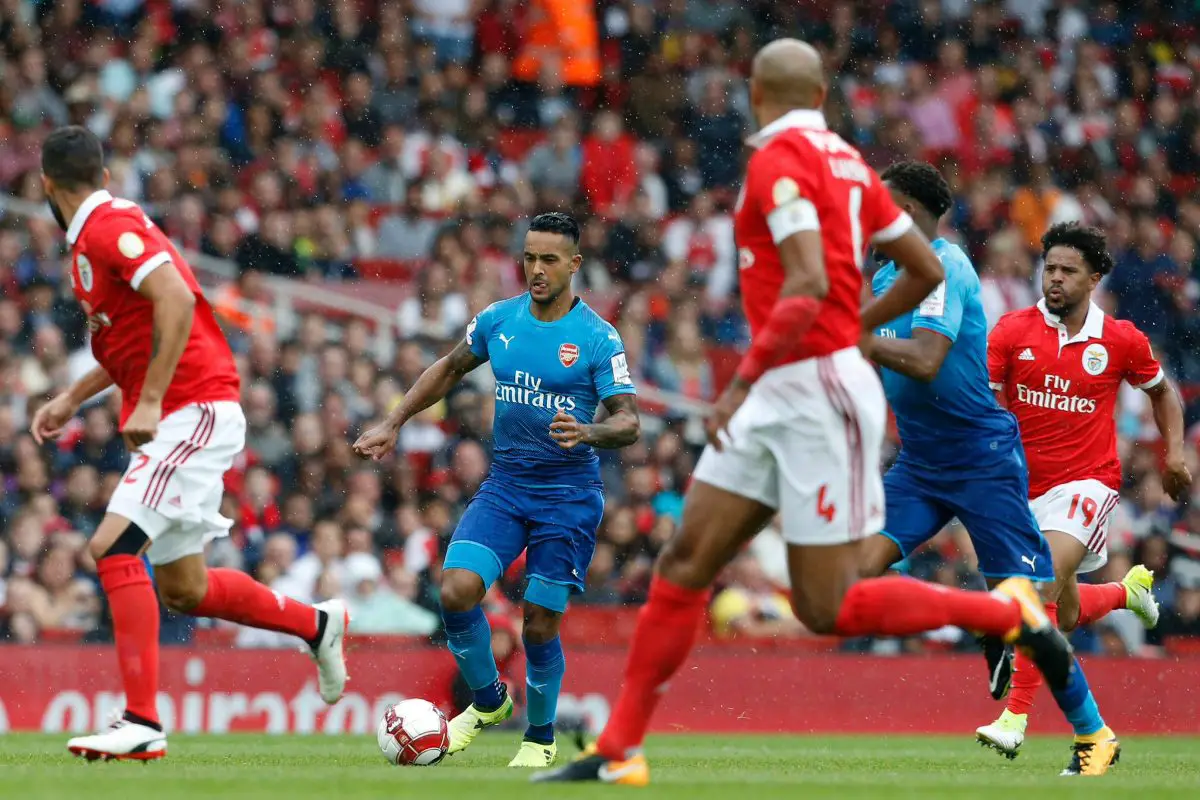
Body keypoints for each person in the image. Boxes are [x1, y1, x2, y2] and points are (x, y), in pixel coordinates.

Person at [534, 40, 1074, 787]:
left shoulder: (776, 162)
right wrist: (853, 326)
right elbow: (920, 266)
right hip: (787, 388)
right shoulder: (852, 165)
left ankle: (1009, 616)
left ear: (757, 94)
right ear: (820, 95)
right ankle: (620, 749)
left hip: (814, 392)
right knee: (686, 562)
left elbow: (809, 283)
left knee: (827, 606)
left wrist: (744, 380)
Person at [32, 126, 349, 762]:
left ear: (45, 185)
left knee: (113, 546)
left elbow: (176, 298)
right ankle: (316, 624)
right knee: (184, 588)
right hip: (183, 410)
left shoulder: (109, 226)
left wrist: (149, 399)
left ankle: (141, 720)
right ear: (102, 172)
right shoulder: (93, 238)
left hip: (191, 408)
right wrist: (73, 397)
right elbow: (133, 337)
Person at [857, 164, 1134, 777]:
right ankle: (984, 620)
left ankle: (1095, 736)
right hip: (920, 463)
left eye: (882, 203)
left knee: (1033, 609)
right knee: (852, 572)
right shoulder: (884, 277)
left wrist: (856, 338)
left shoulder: (945, 266)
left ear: (911, 211)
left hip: (981, 459)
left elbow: (926, 359)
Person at [354, 212, 640, 768]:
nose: (537, 269)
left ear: (574, 265)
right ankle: (488, 701)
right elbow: (449, 368)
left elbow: (629, 422)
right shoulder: (498, 320)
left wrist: (589, 431)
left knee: (539, 621)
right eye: (529, 258)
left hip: (568, 496)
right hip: (506, 486)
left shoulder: (598, 337)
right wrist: (394, 421)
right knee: (456, 589)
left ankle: (539, 737)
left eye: (549, 259)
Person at [975, 221, 1189, 772]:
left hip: (1087, 483)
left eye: (1068, 271)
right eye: (1049, 268)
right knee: (1062, 614)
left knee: (1039, 583)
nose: (1055, 278)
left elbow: (1163, 394)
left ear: (1094, 278)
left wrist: (1175, 455)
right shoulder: (1012, 332)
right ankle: (1124, 594)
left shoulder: (1120, 339)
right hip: (1021, 490)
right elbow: (983, 404)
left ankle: (1014, 720)